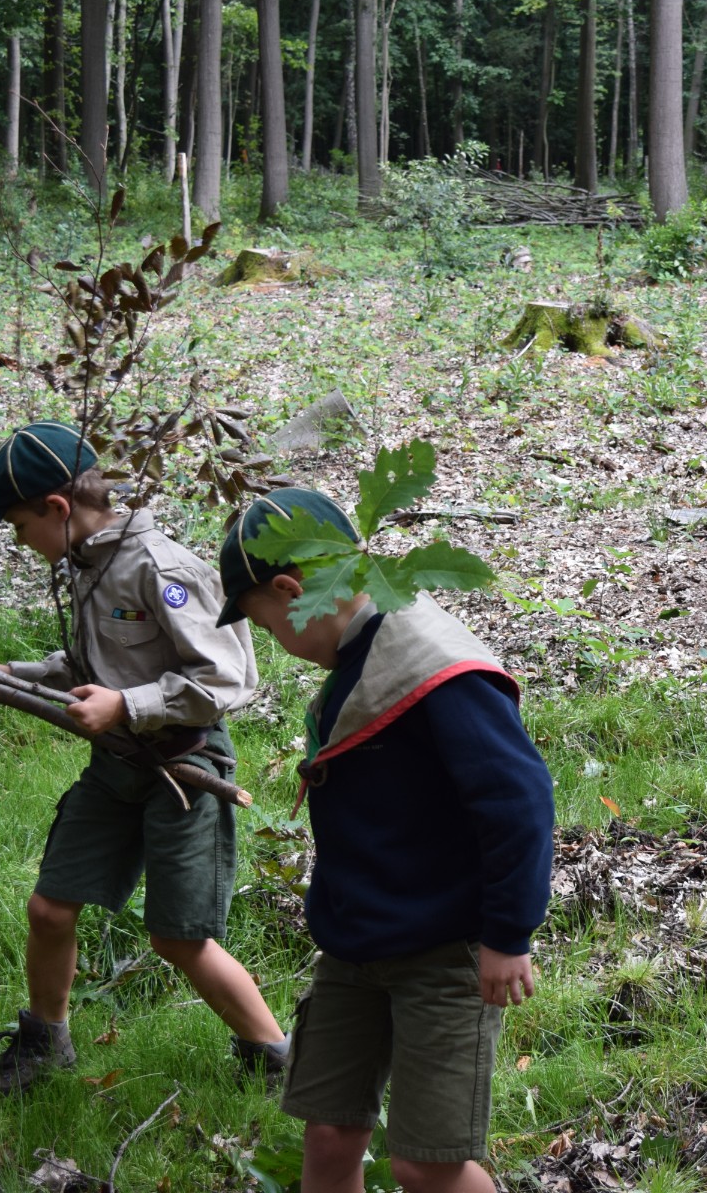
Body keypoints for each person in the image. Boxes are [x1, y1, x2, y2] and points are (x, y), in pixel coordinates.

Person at [215, 488, 555, 1193]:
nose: (278, 645)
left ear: (291, 589)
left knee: (425, 1165)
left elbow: (518, 800)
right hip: (357, 946)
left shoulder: (430, 665)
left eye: (269, 627)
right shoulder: (356, 652)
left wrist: (508, 935)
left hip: (445, 951)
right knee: (331, 1130)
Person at [0, 421, 286, 1102]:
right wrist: (6, 672)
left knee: (179, 939)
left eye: (19, 526)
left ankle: (278, 1059)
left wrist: (127, 706)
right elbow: (86, 667)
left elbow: (227, 680)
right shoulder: (88, 563)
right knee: (50, 908)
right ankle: (44, 1045)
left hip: (185, 770)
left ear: (56, 509)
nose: (20, 542)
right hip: (117, 767)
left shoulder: (158, 568)